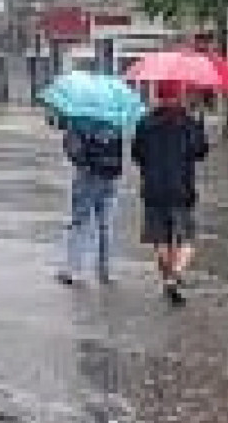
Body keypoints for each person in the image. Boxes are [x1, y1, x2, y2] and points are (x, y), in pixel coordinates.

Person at [130, 82, 209, 306]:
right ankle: (174, 276)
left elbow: (137, 155)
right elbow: (200, 152)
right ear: (178, 97)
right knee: (187, 240)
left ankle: (167, 280)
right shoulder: (187, 123)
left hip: (154, 191)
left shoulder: (145, 123)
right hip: (181, 190)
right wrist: (199, 126)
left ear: (158, 97)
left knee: (160, 239)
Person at [59, 117, 124, 286]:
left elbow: (72, 149)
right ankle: (104, 271)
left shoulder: (79, 119)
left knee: (80, 222)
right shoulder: (114, 119)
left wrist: (82, 162)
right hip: (111, 177)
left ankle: (73, 270)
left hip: (88, 176)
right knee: (105, 226)